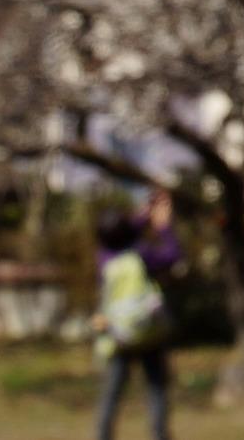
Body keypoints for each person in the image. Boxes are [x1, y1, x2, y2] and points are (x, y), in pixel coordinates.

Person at [93, 189, 182, 440]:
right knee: (156, 388)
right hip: (149, 329)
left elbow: (119, 235)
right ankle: (159, 435)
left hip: (118, 333)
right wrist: (163, 227)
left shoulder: (104, 258)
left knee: (111, 393)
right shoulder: (141, 255)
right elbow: (173, 256)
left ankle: (102, 435)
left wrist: (143, 216)